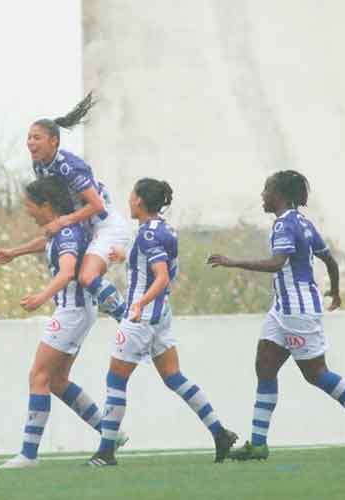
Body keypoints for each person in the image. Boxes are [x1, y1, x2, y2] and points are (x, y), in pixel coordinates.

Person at [207, 170, 345, 460]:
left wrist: (233, 262)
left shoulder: (284, 225)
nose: (262, 195)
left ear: (279, 194)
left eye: (266, 189)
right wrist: (335, 290)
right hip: (283, 309)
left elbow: (276, 263)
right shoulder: (304, 222)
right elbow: (329, 259)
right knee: (265, 366)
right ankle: (258, 443)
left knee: (316, 374)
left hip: (297, 311)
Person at [86, 178, 237, 466]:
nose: (129, 200)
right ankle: (220, 433)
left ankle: (106, 452)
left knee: (115, 379)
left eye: (131, 195)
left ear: (140, 201)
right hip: (162, 315)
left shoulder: (147, 235)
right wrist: (124, 256)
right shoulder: (164, 230)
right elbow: (160, 265)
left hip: (142, 317)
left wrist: (140, 303)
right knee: (174, 377)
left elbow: (161, 276)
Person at [0, 176, 127, 469]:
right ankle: (111, 432)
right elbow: (44, 242)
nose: (27, 210)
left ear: (45, 205)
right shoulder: (61, 229)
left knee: (38, 377)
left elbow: (68, 271)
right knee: (56, 381)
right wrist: (14, 253)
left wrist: (41, 297)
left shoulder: (66, 234)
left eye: (29, 205)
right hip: (78, 310)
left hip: (72, 312)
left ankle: (28, 455)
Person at [0, 92, 129, 322]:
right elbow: (52, 234)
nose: (30, 143)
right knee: (79, 275)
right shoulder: (40, 166)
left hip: (103, 225)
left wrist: (63, 221)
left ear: (53, 141)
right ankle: (123, 320)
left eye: (36, 138)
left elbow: (96, 205)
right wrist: (14, 253)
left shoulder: (69, 166)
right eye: (28, 138)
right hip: (82, 223)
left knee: (86, 276)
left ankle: (129, 321)